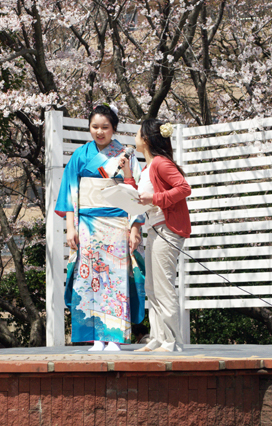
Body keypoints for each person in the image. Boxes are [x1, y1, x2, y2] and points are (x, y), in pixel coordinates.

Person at [55, 104, 146, 352]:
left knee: (115, 279)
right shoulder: (80, 155)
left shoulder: (125, 154)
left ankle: (115, 337)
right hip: (86, 223)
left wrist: (135, 227)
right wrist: (70, 227)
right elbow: (69, 193)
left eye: (105, 127)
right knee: (87, 278)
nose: (99, 131)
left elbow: (135, 189)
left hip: (116, 223)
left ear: (114, 128)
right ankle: (95, 337)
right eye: (95, 127)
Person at [119, 119, 191, 352]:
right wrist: (127, 173)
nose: (135, 138)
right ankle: (159, 339)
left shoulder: (161, 163)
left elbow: (183, 188)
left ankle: (173, 342)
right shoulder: (149, 168)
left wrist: (156, 199)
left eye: (138, 133)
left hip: (167, 230)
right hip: (155, 230)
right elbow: (138, 197)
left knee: (163, 286)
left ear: (146, 139)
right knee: (152, 288)